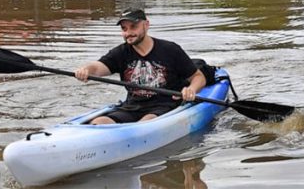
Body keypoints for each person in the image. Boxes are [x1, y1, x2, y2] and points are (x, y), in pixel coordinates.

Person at [74, 8, 206, 124]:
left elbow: (198, 77)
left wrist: (191, 90)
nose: (128, 33)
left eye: (133, 27)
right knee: (98, 122)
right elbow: (97, 68)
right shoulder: (121, 52)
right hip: (132, 107)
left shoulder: (170, 50)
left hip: (163, 106)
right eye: (124, 29)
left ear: (146, 25)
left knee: (145, 122)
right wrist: (86, 70)